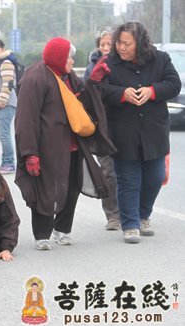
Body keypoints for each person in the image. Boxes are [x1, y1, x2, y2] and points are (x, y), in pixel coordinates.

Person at [15, 37, 115, 251]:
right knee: (46, 189)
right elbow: (26, 118)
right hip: (46, 148)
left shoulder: (69, 77)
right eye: (69, 56)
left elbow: (83, 103)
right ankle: (42, 235)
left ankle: (62, 230)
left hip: (72, 146)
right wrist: (29, 153)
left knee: (71, 188)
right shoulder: (36, 77)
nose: (72, 61)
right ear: (58, 57)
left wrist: (94, 82)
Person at [100, 22, 181, 243]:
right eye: (119, 42)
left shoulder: (160, 59)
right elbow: (99, 89)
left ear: (140, 44)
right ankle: (130, 224)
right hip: (122, 130)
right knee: (128, 179)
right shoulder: (109, 63)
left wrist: (153, 91)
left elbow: (175, 84)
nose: (120, 47)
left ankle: (143, 215)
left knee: (154, 177)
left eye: (126, 43)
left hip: (153, 130)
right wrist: (121, 94)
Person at [83, 26, 121, 231]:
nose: (106, 48)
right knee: (108, 173)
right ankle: (113, 215)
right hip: (102, 129)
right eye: (102, 44)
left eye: (110, 43)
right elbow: (87, 93)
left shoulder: (124, 64)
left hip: (123, 126)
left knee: (127, 172)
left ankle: (131, 213)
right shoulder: (92, 67)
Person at [0, 38, 22, 174]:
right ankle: (5, 162)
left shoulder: (6, 62)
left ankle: (9, 163)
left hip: (6, 102)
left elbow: (8, 83)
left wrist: (2, 101)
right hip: (0, 102)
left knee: (4, 133)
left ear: (2, 48)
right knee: (3, 133)